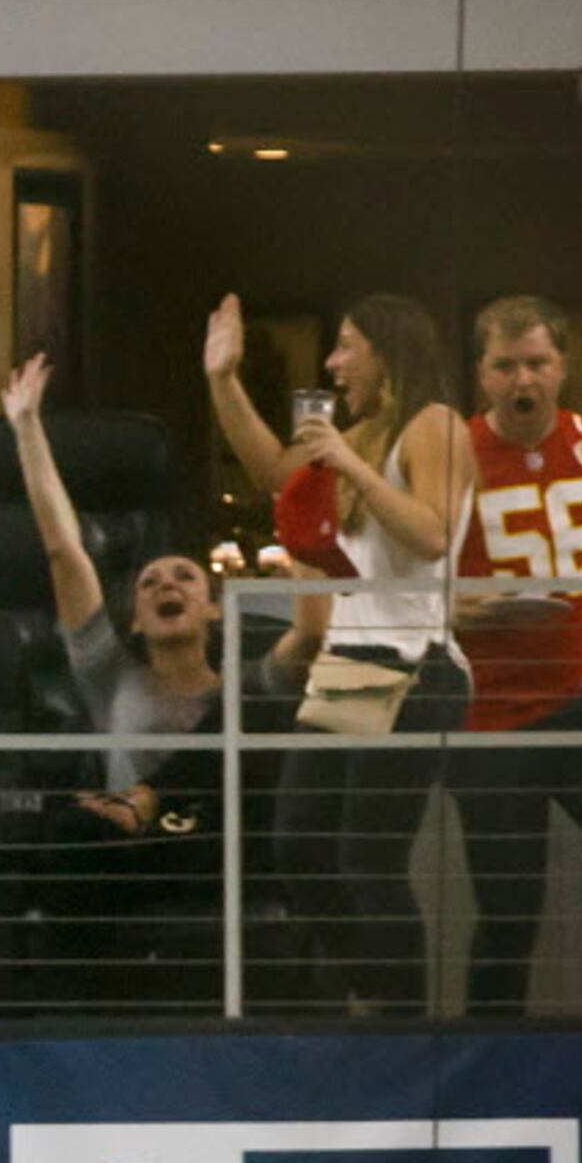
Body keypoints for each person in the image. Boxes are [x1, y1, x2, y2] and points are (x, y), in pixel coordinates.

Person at [206, 290, 473, 1015]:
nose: (332, 362)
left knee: (369, 857)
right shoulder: (359, 432)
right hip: (356, 660)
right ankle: (376, 989)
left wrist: (351, 469)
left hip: (416, 656)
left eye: (347, 345)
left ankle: (402, 1021)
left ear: (387, 351)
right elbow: (275, 474)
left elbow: (433, 535)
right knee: (299, 843)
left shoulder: (434, 425)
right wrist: (223, 380)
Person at [6, 351, 236, 1004]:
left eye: (184, 577)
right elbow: (63, 549)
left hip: (203, 848)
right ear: (133, 620)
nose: (167, 584)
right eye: (150, 582)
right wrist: (26, 429)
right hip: (124, 851)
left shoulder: (239, 696)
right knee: (66, 829)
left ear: (213, 608)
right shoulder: (110, 675)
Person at [448, 296, 582, 1016]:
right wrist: (472, 610)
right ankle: (488, 1059)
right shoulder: (453, 455)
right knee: (507, 911)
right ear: (482, 374)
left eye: (536, 363)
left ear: (563, 367)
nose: (522, 380)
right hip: (489, 714)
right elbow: (415, 589)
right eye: (505, 366)